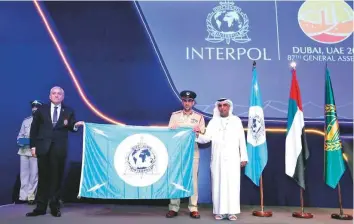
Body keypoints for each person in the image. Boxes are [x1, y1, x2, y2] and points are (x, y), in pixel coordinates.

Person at [26, 86, 84, 217]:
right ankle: (40, 207)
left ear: (62, 97)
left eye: (59, 94)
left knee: (56, 179)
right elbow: (34, 129)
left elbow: (71, 126)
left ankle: (54, 206)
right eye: (54, 93)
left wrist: (76, 125)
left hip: (59, 149)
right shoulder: (41, 110)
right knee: (43, 178)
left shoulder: (68, 111)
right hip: (43, 148)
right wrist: (33, 146)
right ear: (49, 96)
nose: (56, 95)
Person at [195, 98, 248, 221]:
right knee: (218, 184)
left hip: (233, 158)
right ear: (217, 107)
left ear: (229, 107)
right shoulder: (213, 122)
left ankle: (232, 212)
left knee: (232, 185)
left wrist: (243, 157)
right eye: (220, 105)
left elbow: (241, 140)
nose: (222, 108)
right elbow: (206, 138)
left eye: (225, 105)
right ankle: (219, 211)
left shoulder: (236, 121)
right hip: (217, 159)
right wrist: (197, 135)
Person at [166, 90, 205, 219]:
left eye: (189, 101)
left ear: (193, 102)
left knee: (193, 181)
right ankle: (173, 207)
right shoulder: (174, 116)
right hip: (178, 153)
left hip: (193, 153)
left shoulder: (199, 118)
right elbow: (170, 136)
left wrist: (198, 132)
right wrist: (173, 130)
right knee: (176, 178)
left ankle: (193, 208)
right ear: (182, 101)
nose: (187, 103)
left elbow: (204, 136)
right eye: (184, 100)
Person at [16, 100, 42, 205]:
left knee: (34, 174)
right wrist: (20, 141)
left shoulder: (42, 122)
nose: (34, 109)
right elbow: (20, 135)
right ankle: (23, 196)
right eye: (33, 107)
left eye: (36, 107)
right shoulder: (26, 121)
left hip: (34, 151)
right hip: (24, 150)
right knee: (24, 174)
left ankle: (31, 196)